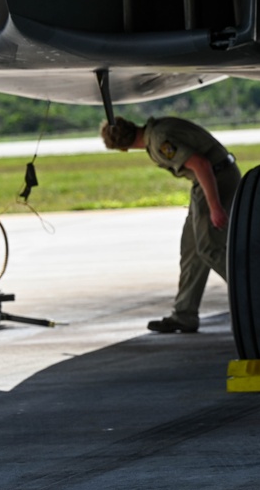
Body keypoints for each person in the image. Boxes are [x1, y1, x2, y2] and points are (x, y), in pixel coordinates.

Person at [100, 116, 241, 333]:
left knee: (209, 247)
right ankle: (184, 314)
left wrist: (214, 207)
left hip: (214, 178)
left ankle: (256, 297)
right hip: (209, 178)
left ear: (122, 148)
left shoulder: (158, 141)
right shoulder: (157, 130)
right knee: (191, 248)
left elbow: (201, 164)